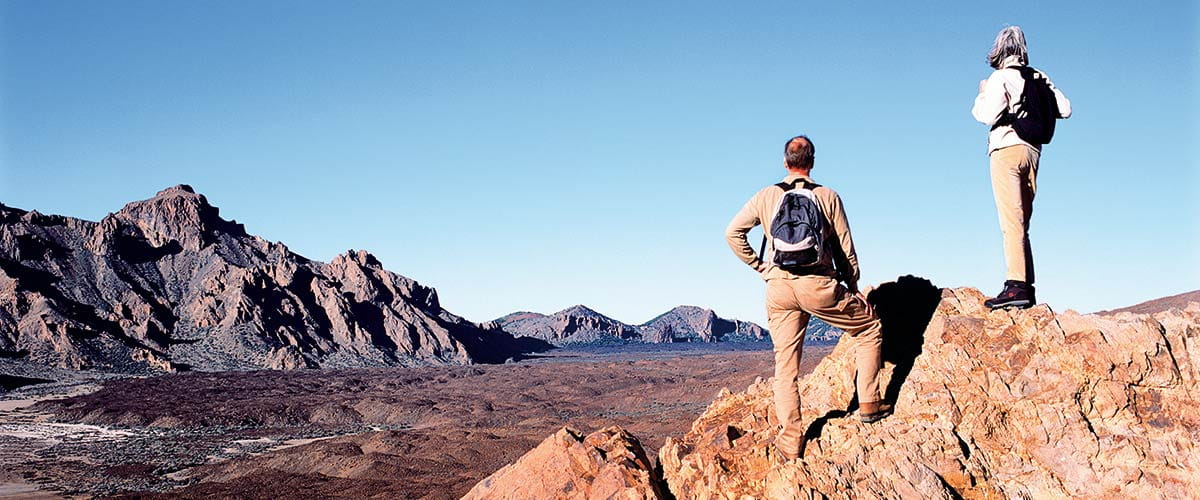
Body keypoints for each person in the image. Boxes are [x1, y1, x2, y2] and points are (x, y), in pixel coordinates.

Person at [725, 135, 889, 461]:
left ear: (785, 162)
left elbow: (732, 233)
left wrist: (762, 268)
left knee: (785, 369)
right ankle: (869, 401)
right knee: (868, 329)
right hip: (818, 285)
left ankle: (790, 442)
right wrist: (853, 284)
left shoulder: (767, 195)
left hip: (779, 288)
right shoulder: (827, 196)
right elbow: (845, 248)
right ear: (812, 161)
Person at [971, 26, 1072, 309]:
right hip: (1033, 152)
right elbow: (1065, 109)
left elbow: (986, 114)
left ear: (999, 50)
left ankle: (1016, 287)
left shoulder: (1000, 77)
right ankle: (1027, 287)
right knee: (1022, 224)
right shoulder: (1039, 77)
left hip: (1006, 149)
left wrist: (982, 93)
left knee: (1011, 223)